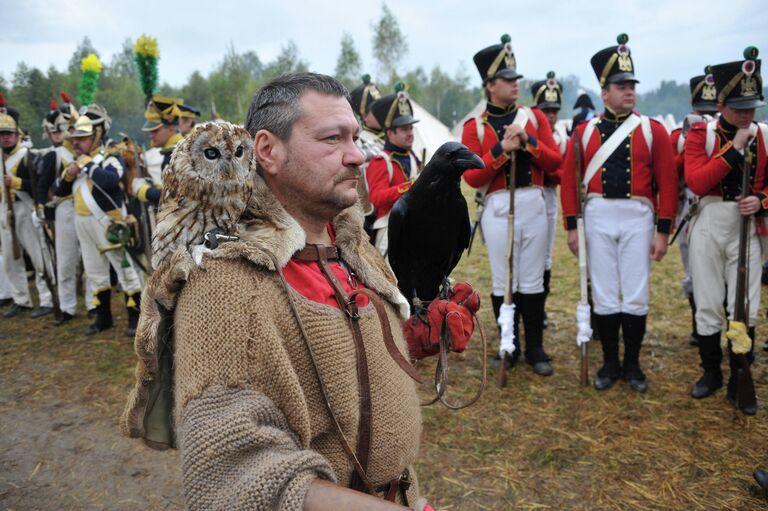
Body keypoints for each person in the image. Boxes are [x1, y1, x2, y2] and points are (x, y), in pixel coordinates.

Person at [166, 72, 476, 510]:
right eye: (333, 139)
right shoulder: (225, 284)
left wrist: (411, 339)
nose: (357, 157)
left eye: (356, 137)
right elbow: (228, 472)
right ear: (268, 151)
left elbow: (337, 357)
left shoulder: (352, 244)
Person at [560, 33, 677, 393]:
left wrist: (662, 231)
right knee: (607, 293)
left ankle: (633, 364)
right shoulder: (583, 132)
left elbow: (668, 184)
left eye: (631, 85)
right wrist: (572, 227)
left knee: (637, 293)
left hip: (638, 217)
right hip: (596, 216)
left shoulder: (652, 130)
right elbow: (569, 181)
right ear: (604, 91)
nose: (629, 91)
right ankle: (610, 362)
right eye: (621, 85)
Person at [462, 34, 562, 376]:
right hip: (496, 206)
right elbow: (473, 177)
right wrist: (503, 150)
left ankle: (535, 347)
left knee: (532, 280)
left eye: (515, 78)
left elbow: (556, 163)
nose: (514, 84)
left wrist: (529, 142)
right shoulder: (473, 125)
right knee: (503, 280)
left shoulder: (534, 118)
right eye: (506, 79)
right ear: (490, 85)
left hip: (533, 202)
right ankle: (510, 344)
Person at [684, 47, 766, 415]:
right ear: (721, 103)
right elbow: (697, 181)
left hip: (747, 226)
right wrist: (733, 150)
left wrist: (762, 200)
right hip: (709, 221)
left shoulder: (764, 135)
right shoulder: (701, 134)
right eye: (738, 106)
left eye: (750, 106)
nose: (746, 113)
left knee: (745, 304)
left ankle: (739, 374)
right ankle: (711, 372)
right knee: (707, 300)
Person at [57, 104, 143, 337]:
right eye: (75, 138)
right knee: (95, 272)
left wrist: (86, 163)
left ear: (95, 136)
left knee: (125, 271)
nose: (76, 142)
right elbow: (59, 191)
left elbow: (110, 179)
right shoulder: (77, 162)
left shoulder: (110, 156)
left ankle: (135, 318)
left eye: (82, 138)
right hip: (82, 222)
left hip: (108, 223)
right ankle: (103, 317)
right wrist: (69, 173)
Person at [668, 68, 719, 347]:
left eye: (713, 111)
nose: (709, 117)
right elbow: (669, 175)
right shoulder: (680, 135)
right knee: (693, 270)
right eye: (703, 111)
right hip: (691, 210)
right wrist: (688, 145)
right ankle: (699, 325)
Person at [37, 93, 91, 325]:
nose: (71, 134)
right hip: (64, 209)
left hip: (87, 208)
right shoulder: (56, 154)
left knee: (90, 259)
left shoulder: (88, 153)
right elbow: (42, 185)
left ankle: (93, 303)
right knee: (66, 260)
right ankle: (68, 306)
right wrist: (43, 209)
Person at [0, 96, 55, 319]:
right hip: (5, 211)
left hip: (25, 209)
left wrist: (18, 183)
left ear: (17, 134)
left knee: (38, 256)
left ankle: (47, 299)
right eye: (1, 135)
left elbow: (41, 187)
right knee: (11, 259)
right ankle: (20, 299)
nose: (5, 138)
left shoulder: (28, 157)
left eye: (9, 134)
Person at [530, 71, 568, 328]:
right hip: (531, 194)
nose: (551, 115)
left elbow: (560, 172)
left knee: (545, 255)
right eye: (546, 109)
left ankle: (540, 307)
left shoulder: (562, 138)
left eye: (554, 110)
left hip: (549, 196)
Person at [365, 82, 421, 256]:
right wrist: (410, 186)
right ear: (390, 133)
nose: (410, 133)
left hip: (413, 226)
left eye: (411, 127)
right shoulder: (381, 161)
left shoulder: (412, 157)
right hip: (389, 229)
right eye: (404, 129)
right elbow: (377, 198)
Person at [131, 95, 184, 206]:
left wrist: (143, 191)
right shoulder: (174, 151)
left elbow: (175, 198)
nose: (151, 135)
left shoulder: (177, 155)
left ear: (170, 128)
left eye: (155, 131)